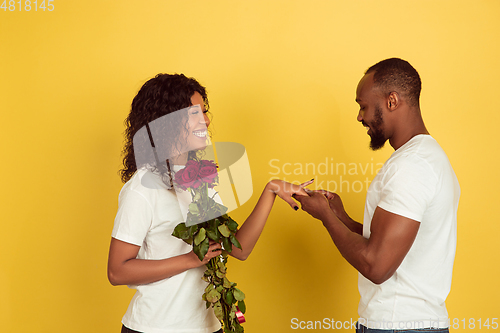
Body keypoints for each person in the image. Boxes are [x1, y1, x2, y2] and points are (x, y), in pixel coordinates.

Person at [107, 73, 306, 333]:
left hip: (207, 327)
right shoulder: (143, 188)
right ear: (167, 122)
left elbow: (239, 249)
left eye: (204, 112)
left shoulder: (197, 180)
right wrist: (190, 259)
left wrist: (271, 190)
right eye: (195, 114)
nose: (206, 120)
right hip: (155, 327)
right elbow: (118, 271)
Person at [292, 58, 460, 332]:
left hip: (397, 325)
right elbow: (394, 245)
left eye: (363, 106)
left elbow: (376, 265)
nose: (359, 117)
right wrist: (342, 218)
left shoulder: (411, 166)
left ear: (392, 101)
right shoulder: (430, 158)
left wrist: (325, 216)